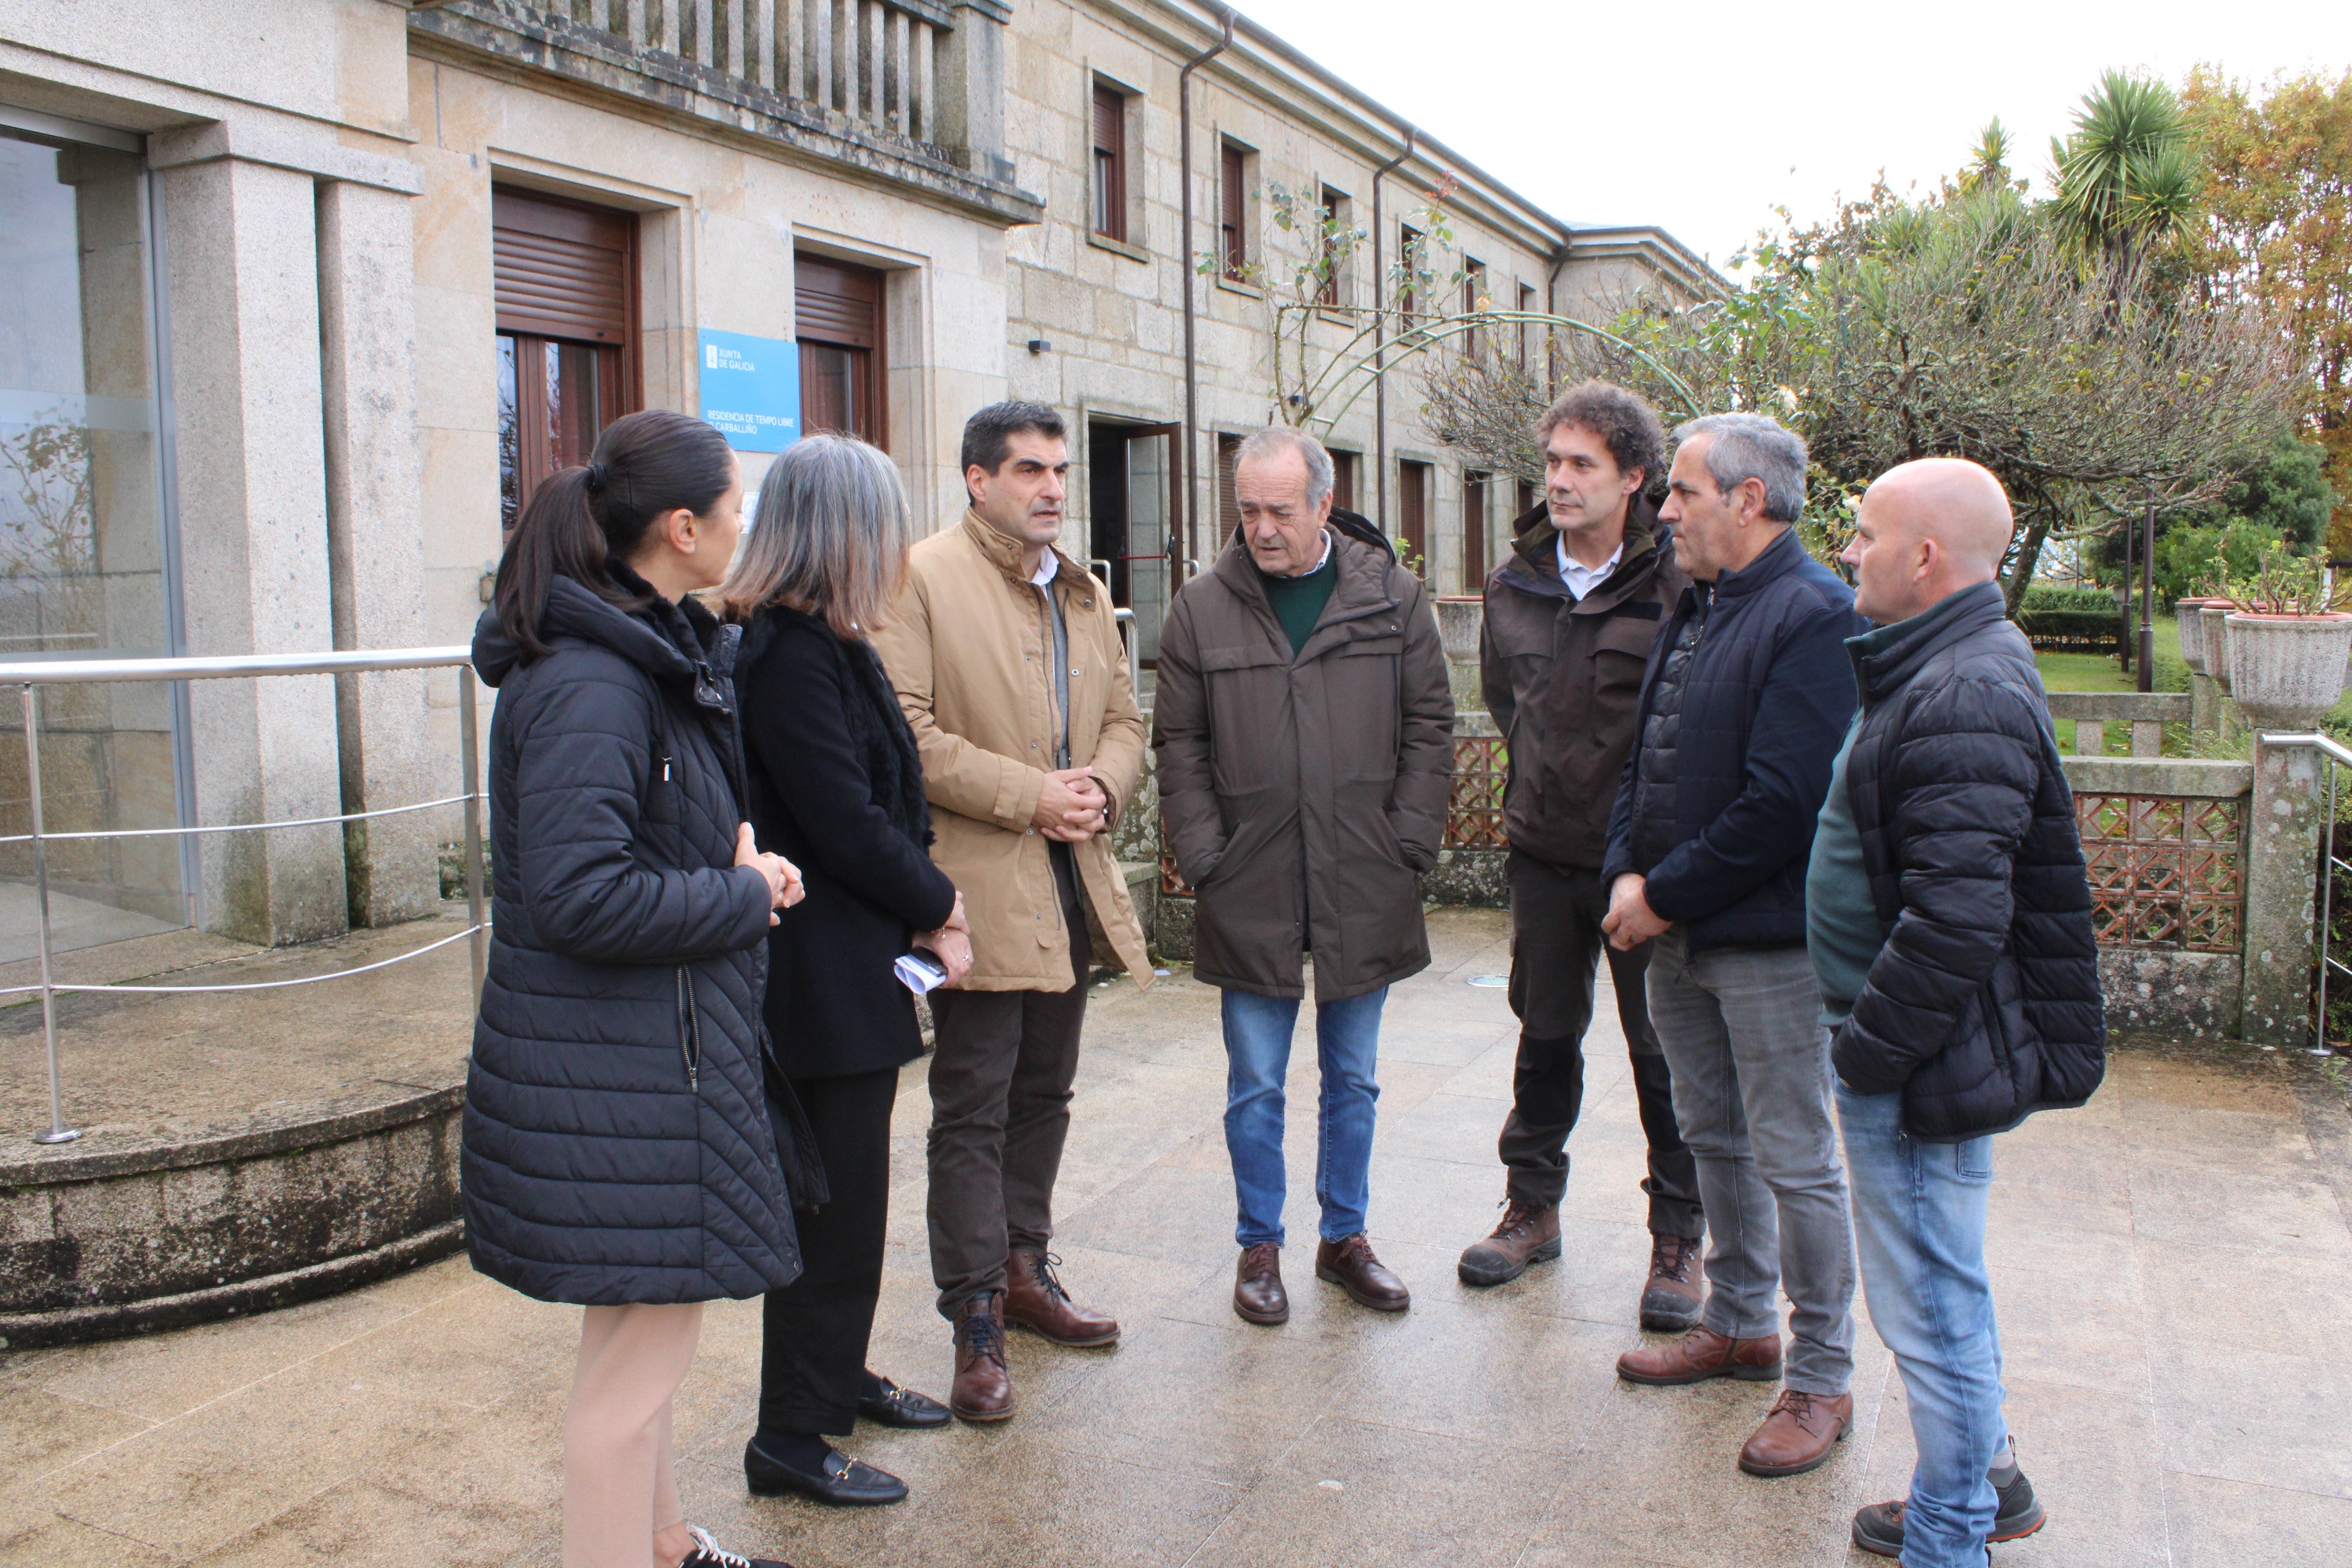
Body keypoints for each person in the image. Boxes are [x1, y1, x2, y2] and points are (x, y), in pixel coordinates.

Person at [465, 409, 808, 1568]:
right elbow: (575, 896)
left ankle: (665, 1543)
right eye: (732, 507)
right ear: (680, 528)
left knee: (638, 1336)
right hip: (629, 1080)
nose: (742, 525)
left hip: (645, 1070)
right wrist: (744, 892)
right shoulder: (596, 682)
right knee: (626, 1385)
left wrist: (729, 864)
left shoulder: (640, 653)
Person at [1818, 459, 2101, 1562]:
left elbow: (1953, 926)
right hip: (1919, 1049)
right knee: (1945, 1285)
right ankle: (1981, 1478)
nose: (1850, 549)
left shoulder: (1961, 689)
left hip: (1917, 1060)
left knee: (1929, 1310)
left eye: (1865, 531)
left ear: (1924, 556)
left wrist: (1862, 1057)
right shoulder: (1942, 664)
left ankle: (1951, 1533)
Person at [870, 400, 1153, 1424]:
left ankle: (1027, 1272)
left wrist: (1101, 789)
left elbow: (1125, 717)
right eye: (1030, 470)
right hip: (977, 894)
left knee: (1047, 1092)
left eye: (1062, 471)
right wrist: (1027, 793)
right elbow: (903, 733)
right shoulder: (919, 577)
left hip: (1072, 883)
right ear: (977, 479)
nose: (1052, 489)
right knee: (973, 1107)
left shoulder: (1080, 590)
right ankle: (975, 1317)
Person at [1600, 411, 1865, 1478]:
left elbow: (1784, 802)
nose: (1663, 512)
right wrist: (1627, 868)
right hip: (1679, 935)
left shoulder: (1815, 613)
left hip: (1766, 947)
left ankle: (1821, 1377)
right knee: (1714, 1141)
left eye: (1683, 493)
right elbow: (1644, 759)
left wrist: (1659, 894)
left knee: (1798, 1162)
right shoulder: (1700, 602)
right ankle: (1742, 1320)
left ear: (1749, 501)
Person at [1154, 424, 1455, 1325]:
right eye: (1247, 510)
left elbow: (1429, 726)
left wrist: (1408, 841)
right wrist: (1205, 854)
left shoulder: (1391, 599)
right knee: (1255, 1082)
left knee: (1353, 1079)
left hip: (1365, 873)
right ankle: (1259, 1244)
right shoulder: (1201, 608)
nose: (1261, 528)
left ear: (1325, 504)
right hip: (1247, 878)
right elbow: (1181, 744)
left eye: (1280, 510)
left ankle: (1345, 1238)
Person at [722, 435, 973, 1507]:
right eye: (883, 519)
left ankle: (838, 1375)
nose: (898, 543)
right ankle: (792, 1435)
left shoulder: (832, 640)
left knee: (854, 1201)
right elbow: (843, 820)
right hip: (816, 977)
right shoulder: (783, 652)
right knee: (831, 1212)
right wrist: (941, 903)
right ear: (843, 531)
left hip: (853, 964)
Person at [1462, 380, 1706, 1328]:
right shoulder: (1515, 580)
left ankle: (1679, 1240)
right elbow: (1502, 702)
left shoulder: (1679, 579)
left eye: (1581, 466)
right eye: (1552, 463)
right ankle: (1532, 1209)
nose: (1558, 483)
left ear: (1635, 477)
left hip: (1646, 868)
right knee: (1545, 1034)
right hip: (1543, 856)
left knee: (1663, 1054)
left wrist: (1659, 853)